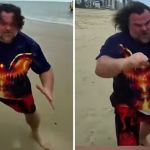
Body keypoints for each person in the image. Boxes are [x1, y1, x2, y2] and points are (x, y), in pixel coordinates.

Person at [95, 1, 150, 146]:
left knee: (144, 130)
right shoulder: (118, 41)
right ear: (127, 26)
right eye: (138, 25)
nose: (144, 28)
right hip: (127, 103)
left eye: (148, 22)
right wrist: (127, 62)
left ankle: (142, 138)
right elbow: (100, 68)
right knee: (128, 145)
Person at [0, 3, 54, 150]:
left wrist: (48, 88)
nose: (8, 28)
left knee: (31, 113)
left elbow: (45, 70)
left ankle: (35, 133)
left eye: (12, 24)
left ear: (19, 25)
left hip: (18, 91)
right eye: (3, 23)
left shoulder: (29, 46)